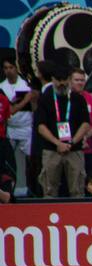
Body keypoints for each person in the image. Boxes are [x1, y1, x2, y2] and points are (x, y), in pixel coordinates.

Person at [34, 63, 89, 198]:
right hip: (51, 149)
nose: (61, 84)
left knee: (77, 189)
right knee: (49, 189)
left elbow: (85, 123)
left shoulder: (78, 98)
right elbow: (41, 126)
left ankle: (78, 211)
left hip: (74, 149)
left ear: (69, 79)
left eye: (64, 80)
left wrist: (72, 142)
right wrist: (57, 143)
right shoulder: (45, 98)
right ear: (53, 79)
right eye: (58, 80)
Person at [2, 55, 34, 191]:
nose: (9, 70)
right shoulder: (1, 87)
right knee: (10, 162)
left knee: (31, 162)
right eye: (6, 68)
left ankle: (31, 188)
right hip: (11, 128)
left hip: (26, 127)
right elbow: (8, 111)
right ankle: (11, 189)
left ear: (16, 68)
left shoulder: (26, 85)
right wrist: (24, 100)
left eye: (11, 67)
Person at [68, 69, 92, 176]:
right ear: (70, 81)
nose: (80, 83)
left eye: (82, 80)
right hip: (70, 148)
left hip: (90, 149)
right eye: (76, 80)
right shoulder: (65, 98)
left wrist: (85, 136)